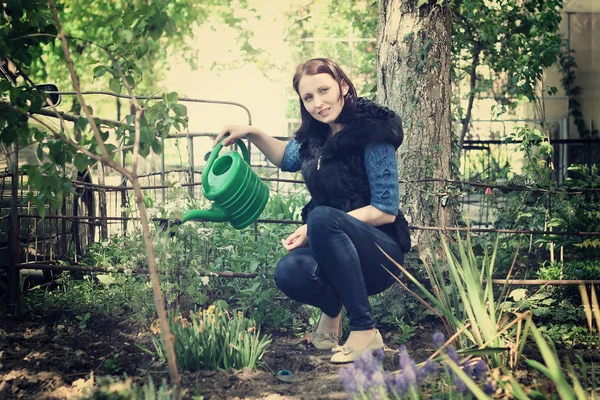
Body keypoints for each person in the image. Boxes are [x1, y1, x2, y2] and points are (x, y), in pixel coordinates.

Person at [213, 58, 411, 363]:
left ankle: (364, 330)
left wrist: (318, 226)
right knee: (288, 271)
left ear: (343, 86)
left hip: (380, 252)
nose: (318, 103)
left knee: (320, 217)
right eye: (308, 97)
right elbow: (285, 157)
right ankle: (333, 310)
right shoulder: (315, 136)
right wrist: (251, 132)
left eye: (324, 90)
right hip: (336, 249)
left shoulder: (372, 130)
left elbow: (385, 210)